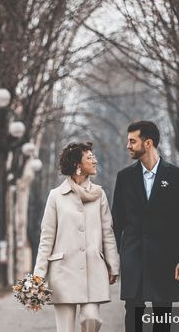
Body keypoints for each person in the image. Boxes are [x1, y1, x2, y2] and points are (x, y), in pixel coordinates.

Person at [112, 121, 179, 332]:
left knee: (163, 317)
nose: (128, 146)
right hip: (133, 258)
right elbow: (117, 222)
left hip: (165, 259)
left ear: (147, 143)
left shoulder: (177, 176)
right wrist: (112, 260)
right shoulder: (124, 177)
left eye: (132, 141)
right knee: (133, 316)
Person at [33, 141, 120, 332]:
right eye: (89, 158)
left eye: (93, 156)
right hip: (63, 271)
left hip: (93, 269)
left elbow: (108, 232)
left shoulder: (100, 194)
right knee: (65, 329)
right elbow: (46, 238)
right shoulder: (56, 196)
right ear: (77, 165)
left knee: (91, 319)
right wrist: (38, 274)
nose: (95, 161)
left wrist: (113, 264)